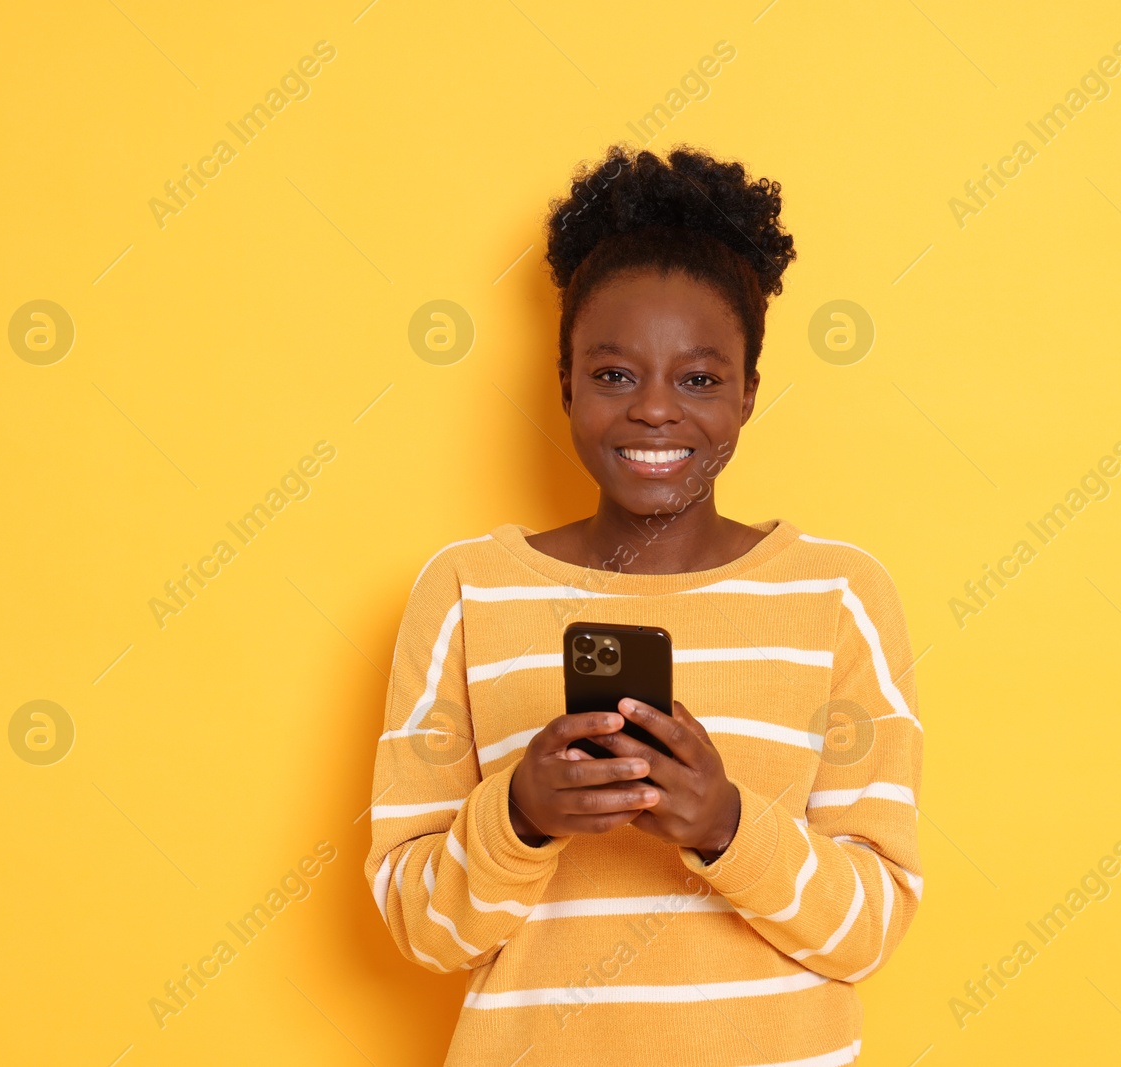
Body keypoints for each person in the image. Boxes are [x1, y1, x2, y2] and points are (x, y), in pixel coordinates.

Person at [366, 145, 923, 1066]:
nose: (655, 411)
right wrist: (521, 816)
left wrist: (724, 823)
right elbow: (421, 928)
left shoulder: (840, 597)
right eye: (616, 374)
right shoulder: (464, 591)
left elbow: (869, 929)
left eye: (699, 379)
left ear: (748, 393)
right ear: (567, 385)